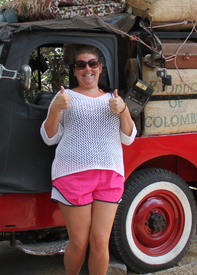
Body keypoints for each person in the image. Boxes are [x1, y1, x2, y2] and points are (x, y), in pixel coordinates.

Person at [41, 44, 136, 275]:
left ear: (100, 68)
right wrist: (55, 109)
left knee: (101, 242)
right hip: (73, 175)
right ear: (75, 71)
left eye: (92, 63)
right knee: (79, 243)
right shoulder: (65, 97)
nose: (87, 69)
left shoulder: (114, 99)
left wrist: (124, 110)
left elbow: (129, 138)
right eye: (81, 65)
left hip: (109, 175)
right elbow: (49, 138)